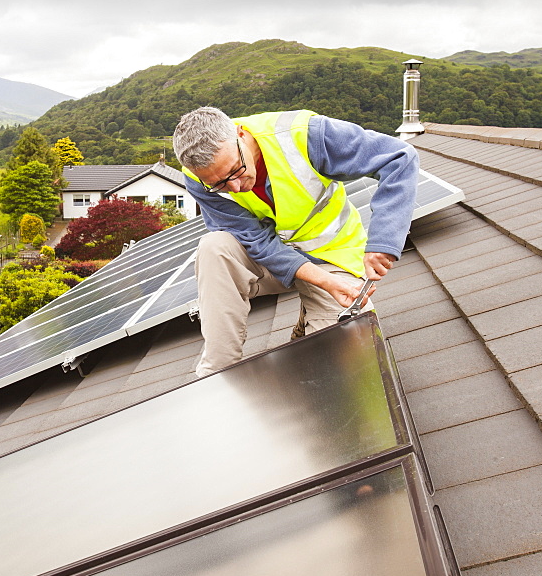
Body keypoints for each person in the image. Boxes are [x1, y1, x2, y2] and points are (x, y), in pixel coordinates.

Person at [172, 107, 419, 377]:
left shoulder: (304, 135)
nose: (234, 187)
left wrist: (383, 242)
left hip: (330, 256)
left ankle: (313, 315)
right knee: (214, 248)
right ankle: (217, 374)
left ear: (240, 134)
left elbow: (399, 158)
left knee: (350, 356)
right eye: (219, 184)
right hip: (271, 261)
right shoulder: (198, 177)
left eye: (235, 170)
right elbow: (256, 241)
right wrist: (322, 282)